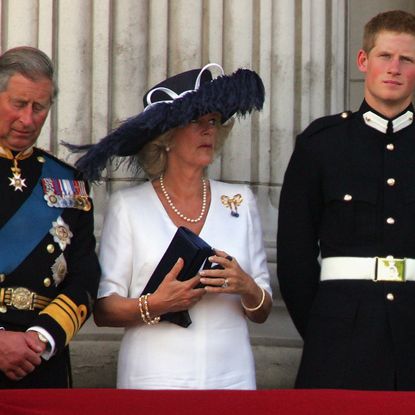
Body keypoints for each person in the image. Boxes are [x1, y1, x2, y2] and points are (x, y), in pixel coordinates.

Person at [70, 63, 272, 389]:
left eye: (213, 121)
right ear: (166, 137)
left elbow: (262, 309)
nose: (208, 130)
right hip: (153, 378)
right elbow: (104, 309)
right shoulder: (129, 207)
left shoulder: (239, 200)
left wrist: (246, 285)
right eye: (196, 120)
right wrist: (158, 303)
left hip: (231, 379)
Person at [277, 10, 415, 390]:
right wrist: (326, 327)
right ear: (363, 61)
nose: (394, 68)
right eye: (385, 56)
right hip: (339, 339)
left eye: (407, 59)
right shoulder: (321, 144)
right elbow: (294, 258)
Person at [0, 46, 100, 388]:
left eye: (39, 107)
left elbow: (85, 274)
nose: (28, 120)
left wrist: (43, 337)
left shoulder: (68, 182)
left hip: (39, 361)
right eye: (18, 104)